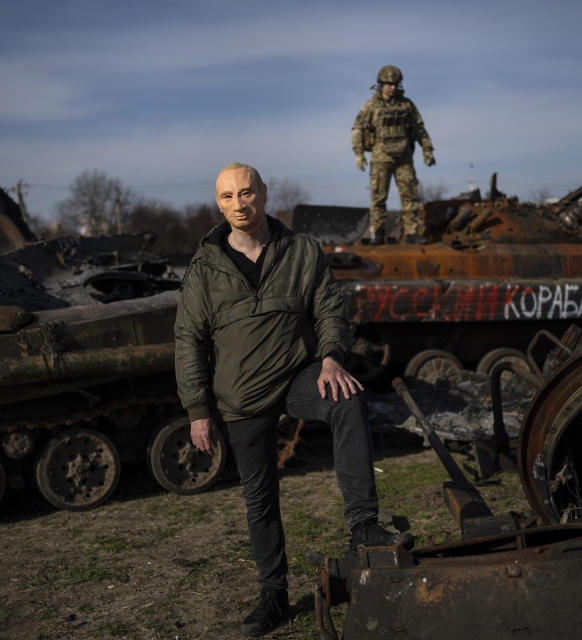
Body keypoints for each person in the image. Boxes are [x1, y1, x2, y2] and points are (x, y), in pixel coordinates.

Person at [174, 163, 411, 637]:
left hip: (299, 376)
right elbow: (188, 339)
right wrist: (198, 410)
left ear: (263, 194)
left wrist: (330, 358)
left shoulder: (301, 249)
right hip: (241, 396)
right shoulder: (204, 268)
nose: (238, 204)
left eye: (246, 193)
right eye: (227, 197)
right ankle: (274, 596)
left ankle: (363, 522)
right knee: (260, 499)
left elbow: (329, 308)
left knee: (346, 399)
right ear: (218, 204)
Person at [352, 64, 435, 244]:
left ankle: (412, 233)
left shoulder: (406, 105)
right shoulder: (371, 106)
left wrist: (427, 149)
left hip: (403, 157)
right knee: (378, 196)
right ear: (381, 84)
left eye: (395, 84)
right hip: (381, 156)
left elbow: (419, 128)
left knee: (410, 195)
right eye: (389, 84)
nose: (392, 87)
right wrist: (359, 154)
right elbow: (357, 128)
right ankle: (378, 232)